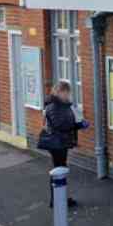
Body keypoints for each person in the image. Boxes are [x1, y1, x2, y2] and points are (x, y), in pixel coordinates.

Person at [38, 80, 90, 208]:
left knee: (60, 170)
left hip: (61, 142)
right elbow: (60, 125)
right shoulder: (53, 106)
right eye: (65, 92)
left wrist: (77, 125)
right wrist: (78, 125)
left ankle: (59, 199)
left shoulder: (63, 105)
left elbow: (65, 123)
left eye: (68, 93)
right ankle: (57, 201)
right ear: (58, 92)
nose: (67, 95)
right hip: (57, 143)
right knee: (58, 171)